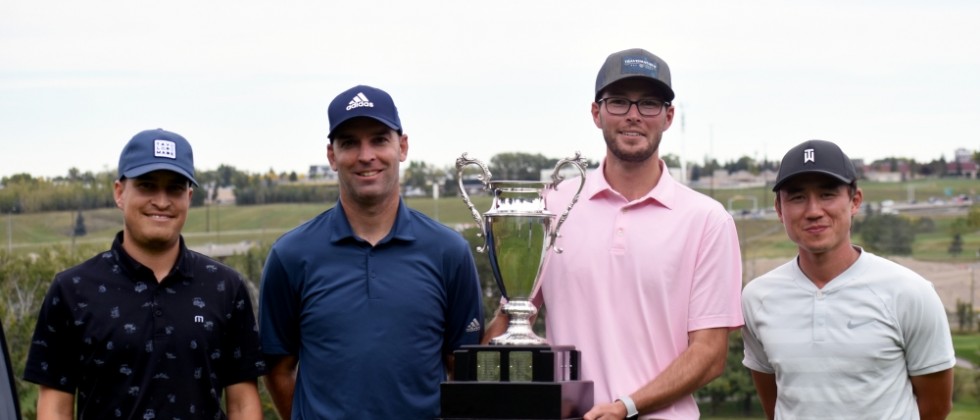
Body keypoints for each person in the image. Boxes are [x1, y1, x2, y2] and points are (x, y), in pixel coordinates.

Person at [486, 48, 745, 419]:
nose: (634, 116)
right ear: (597, 112)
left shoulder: (707, 220)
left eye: (649, 104)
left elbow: (709, 355)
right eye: (619, 102)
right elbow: (517, 311)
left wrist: (626, 407)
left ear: (668, 116)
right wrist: (474, 366)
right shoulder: (552, 206)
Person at [259, 85, 485, 419]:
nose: (366, 155)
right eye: (349, 142)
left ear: (402, 146)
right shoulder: (291, 255)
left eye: (379, 139)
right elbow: (278, 370)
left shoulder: (448, 251)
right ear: (332, 156)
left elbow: (461, 368)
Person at [23, 128, 266, 419]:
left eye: (175, 188)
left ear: (189, 196)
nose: (161, 201)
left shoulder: (225, 287)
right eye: (147, 185)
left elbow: (243, 405)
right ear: (119, 193)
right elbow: (55, 409)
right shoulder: (72, 289)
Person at [741, 139, 955, 419]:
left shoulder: (910, 292)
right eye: (797, 197)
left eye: (828, 194)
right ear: (779, 210)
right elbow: (776, 404)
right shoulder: (757, 298)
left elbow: (936, 407)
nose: (814, 210)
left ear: (855, 201)